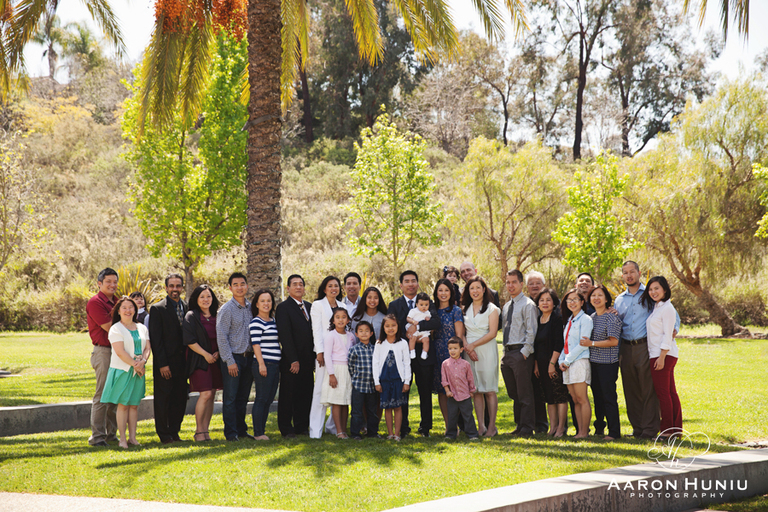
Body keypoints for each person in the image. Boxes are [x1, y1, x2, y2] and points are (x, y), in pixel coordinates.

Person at [614, 261, 680, 439]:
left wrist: (675, 329)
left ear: (639, 272)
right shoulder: (619, 300)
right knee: (631, 390)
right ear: (623, 276)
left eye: (632, 272)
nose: (629, 275)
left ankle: (651, 429)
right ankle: (637, 429)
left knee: (648, 389)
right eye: (625, 273)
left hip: (645, 347)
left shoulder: (650, 293)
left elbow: (673, 315)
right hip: (626, 348)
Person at [387, 270, 441, 438]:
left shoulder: (427, 302)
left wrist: (416, 329)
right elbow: (393, 325)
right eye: (407, 281)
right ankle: (403, 427)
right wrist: (409, 336)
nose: (410, 284)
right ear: (401, 285)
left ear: (417, 284)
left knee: (425, 391)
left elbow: (435, 322)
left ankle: (425, 427)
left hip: (424, 353)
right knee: (403, 390)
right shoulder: (394, 305)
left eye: (413, 281)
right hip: (404, 354)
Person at [101, 296, 151, 449]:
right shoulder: (116, 328)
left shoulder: (142, 327)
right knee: (123, 405)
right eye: (125, 307)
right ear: (119, 311)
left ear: (135, 310)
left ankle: (133, 438)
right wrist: (135, 365)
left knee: (134, 405)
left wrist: (143, 361)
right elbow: (120, 352)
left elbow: (147, 348)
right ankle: (122, 439)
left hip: (139, 370)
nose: (128, 310)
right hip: (123, 370)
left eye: (131, 307)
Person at [149, 273, 189, 444]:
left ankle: (175, 431)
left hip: (183, 364)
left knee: (179, 398)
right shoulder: (157, 309)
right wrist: (162, 364)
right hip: (165, 363)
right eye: (171, 286)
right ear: (166, 288)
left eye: (178, 286)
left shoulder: (187, 307)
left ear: (182, 287)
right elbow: (156, 340)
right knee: (163, 399)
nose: (175, 289)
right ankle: (164, 434)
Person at [642, 276, 682, 438]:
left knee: (663, 394)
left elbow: (668, 334)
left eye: (656, 288)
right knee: (670, 393)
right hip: (659, 354)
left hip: (662, 355)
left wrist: (662, 356)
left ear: (665, 289)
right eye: (650, 289)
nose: (653, 292)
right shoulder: (658, 307)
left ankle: (667, 431)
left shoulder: (667, 308)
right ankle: (675, 430)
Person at [579, 285, 622, 440]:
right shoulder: (591, 318)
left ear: (606, 299)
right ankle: (599, 429)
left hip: (608, 363)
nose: (596, 298)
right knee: (597, 397)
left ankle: (614, 432)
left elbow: (613, 341)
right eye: (593, 296)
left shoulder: (611, 317)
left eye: (600, 295)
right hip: (594, 363)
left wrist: (592, 344)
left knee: (608, 397)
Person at [275, 274, 314, 438]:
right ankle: (286, 428)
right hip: (292, 360)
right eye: (294, 284)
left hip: (308, 359)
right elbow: (285, 335)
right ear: (288, 288)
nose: (298, 287)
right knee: (288, 395)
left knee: (305, 393)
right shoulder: (283, 308)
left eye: (301, 284)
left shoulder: (310, 307)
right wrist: (293, 359)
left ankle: (301, 426)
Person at [499, 269, 538, 437]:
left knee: (524, 392)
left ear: (521, 284)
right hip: (507, 354)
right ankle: (519, 425)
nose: (510, 285)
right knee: (513, 393)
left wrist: (524, 352)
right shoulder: (507, 306)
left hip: (520, 352)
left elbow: (532, 331)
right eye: (508, 282)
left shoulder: (528, 305)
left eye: (514, 282)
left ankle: (527, 428)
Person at [182, 284, 223, 442]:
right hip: (200, 360)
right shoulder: (191, 316)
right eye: (202, 297)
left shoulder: (217, 316)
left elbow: (222, 336)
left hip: (216, 360)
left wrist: (218, 352)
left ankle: (206, 431)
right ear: (196, 299)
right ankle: (199, 431)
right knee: (205, 394)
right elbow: (189, 340)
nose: (206, 299)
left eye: (209, 296)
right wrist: (206, 355)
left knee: (212, 394)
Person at [216, 272, 254, 441]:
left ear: (247, 286)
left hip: (249, 358)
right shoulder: (226, 310)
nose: (239, 287)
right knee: (230, 398)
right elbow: (221, 337)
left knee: (243, 397)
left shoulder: (252, 307)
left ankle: (241, 430)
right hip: (233, 359)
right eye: (236, 285)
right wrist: (229, 361)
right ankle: (231, 434)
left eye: (242, 284)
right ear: (230, 288)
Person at [461, 275, 500, 437]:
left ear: (484, 289)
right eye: (472, 288)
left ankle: (492, 426)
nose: (475, 291)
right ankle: (481, 426)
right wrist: (468, 348)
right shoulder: (464, 309)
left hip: (486, 350)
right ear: (468, 291)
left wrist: (473, 346)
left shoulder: (492, 309)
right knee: (475, 390)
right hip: (469, 351)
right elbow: (461, 333)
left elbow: (492, 333)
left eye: (478, 287)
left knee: (489, 389)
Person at [86, 267, 118, 446]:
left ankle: (111, 435)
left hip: (118, 351)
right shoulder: (95, 302)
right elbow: (111, 327)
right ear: (99, 284)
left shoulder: (118, 301)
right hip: (103, 351)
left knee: (114, 394)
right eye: (108, 282)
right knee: (102, 394)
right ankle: (97, 436)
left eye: (115, 282)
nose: (112, 285)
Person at [309, 275, 343, 438]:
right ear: (324, 289)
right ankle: (315, 430)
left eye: (336, 285)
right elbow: (316, 330)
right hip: (324, 354)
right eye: (330, 286)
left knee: (337, 391)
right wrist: (320, 352)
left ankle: (332, 426)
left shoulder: (342, 306)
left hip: (340, 356)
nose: (333, 288)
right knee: (320, 391)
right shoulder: (318, 305)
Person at [532, 289, 569, 437]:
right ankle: (552, 427)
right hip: (540, 365)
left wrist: (552, 364)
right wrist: (536, 364)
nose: (545, 303)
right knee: (549, 397)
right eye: (542, 300)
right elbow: (536, 345)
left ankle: (561, 428)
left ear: (554, 303)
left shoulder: (557, 319)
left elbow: (558, 343)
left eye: (548, 300)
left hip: (554, 363)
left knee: (559, 396)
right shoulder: (538, 320)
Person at [558, 288, 593, 439]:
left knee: (582, 398)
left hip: (579, 362)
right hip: (568, 363)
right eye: (569, 300)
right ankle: (579, 431)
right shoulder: (569, 321)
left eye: (575, 299)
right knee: (574, 399)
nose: (572, 302)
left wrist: (567, 360)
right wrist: (561, 360)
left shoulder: (585, 319)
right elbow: (566, 344)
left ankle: (584, 432)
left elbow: (583, 344)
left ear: (582, 302)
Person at [432, 278, 465, 427]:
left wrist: (455, 354)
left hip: (452, 352)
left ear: (451, 293)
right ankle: (448, 425)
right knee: (442, 390)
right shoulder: (432, 310)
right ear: (436, 292)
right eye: (440, 290)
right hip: (436, 352)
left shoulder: (456, 311)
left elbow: (458, 335)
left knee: (455, 388)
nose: (443, 293)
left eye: (446, 290)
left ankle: (457, 423)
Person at [373, 314, 411, 441]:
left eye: (393, 325)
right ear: (383, 328)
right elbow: (375, 363)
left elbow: (407, 363)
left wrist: (407, 381)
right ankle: (390, 433)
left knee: (398, 407)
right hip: (384, 380)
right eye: (387, 326)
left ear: (398, 327)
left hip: (398, 380)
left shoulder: (403, 343)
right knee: (387, 407)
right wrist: (376, 382)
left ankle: (397, 433)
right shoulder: (379, 344)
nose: (390, 328)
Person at [249, 289, 281, 441]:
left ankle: (262, 430)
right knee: (261, 398)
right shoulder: (256, 322)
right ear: (257, 304)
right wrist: (261, 364)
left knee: (269, 399)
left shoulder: (273, 321)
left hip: (275, 364)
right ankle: (258, 433)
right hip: (263, 364)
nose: (266, 304)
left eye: (268, 300)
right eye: (262, 301)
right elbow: (256, 345)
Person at [321, 307, 356, 439]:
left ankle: (344, 428)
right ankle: (339, 431)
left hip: (348, 371)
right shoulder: (331, 335)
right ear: (333, 320)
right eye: (337, 317)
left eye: (343, 317)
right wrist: (331, 374)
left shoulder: (351, 336)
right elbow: (327, 356)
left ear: (348, 320)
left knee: (346, 400)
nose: (341, 320)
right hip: (336, 370)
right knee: (336, 401)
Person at [441, 337, 479, 440]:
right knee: (452, 416)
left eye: (455, 348)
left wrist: (471, 391)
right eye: (450, 348)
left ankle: (472, 434)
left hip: (465, 395)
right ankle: (450, 435)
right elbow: (444, 380)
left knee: (468, 415)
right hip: (452, 395)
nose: (452, 351)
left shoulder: (465, 364)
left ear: (461, 349)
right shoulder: (445, 364)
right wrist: (447, 391)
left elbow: (470, 378)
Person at [526, 270, 549, 435]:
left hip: (547, 355)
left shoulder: (549, 304)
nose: (534, 286)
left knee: (549, 391)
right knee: (532, 390)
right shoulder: (525, 304)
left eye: (537, 283)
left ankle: (551, 424)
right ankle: (535, 423)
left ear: (543, 285)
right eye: (531, 283)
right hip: (528, 354)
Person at [406, 292, 433, 360]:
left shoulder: (428, 313)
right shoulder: (414, 311)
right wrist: (413, 321)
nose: (424, 307)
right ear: (417, 304)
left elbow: (430, 322)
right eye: (421, 305)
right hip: (414, 330)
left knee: (426, 340)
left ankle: (424, 352)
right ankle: (412, 351)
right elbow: (408, 318)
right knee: (412, 338)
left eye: (426, 305)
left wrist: (428, 319)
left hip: (423, 332)